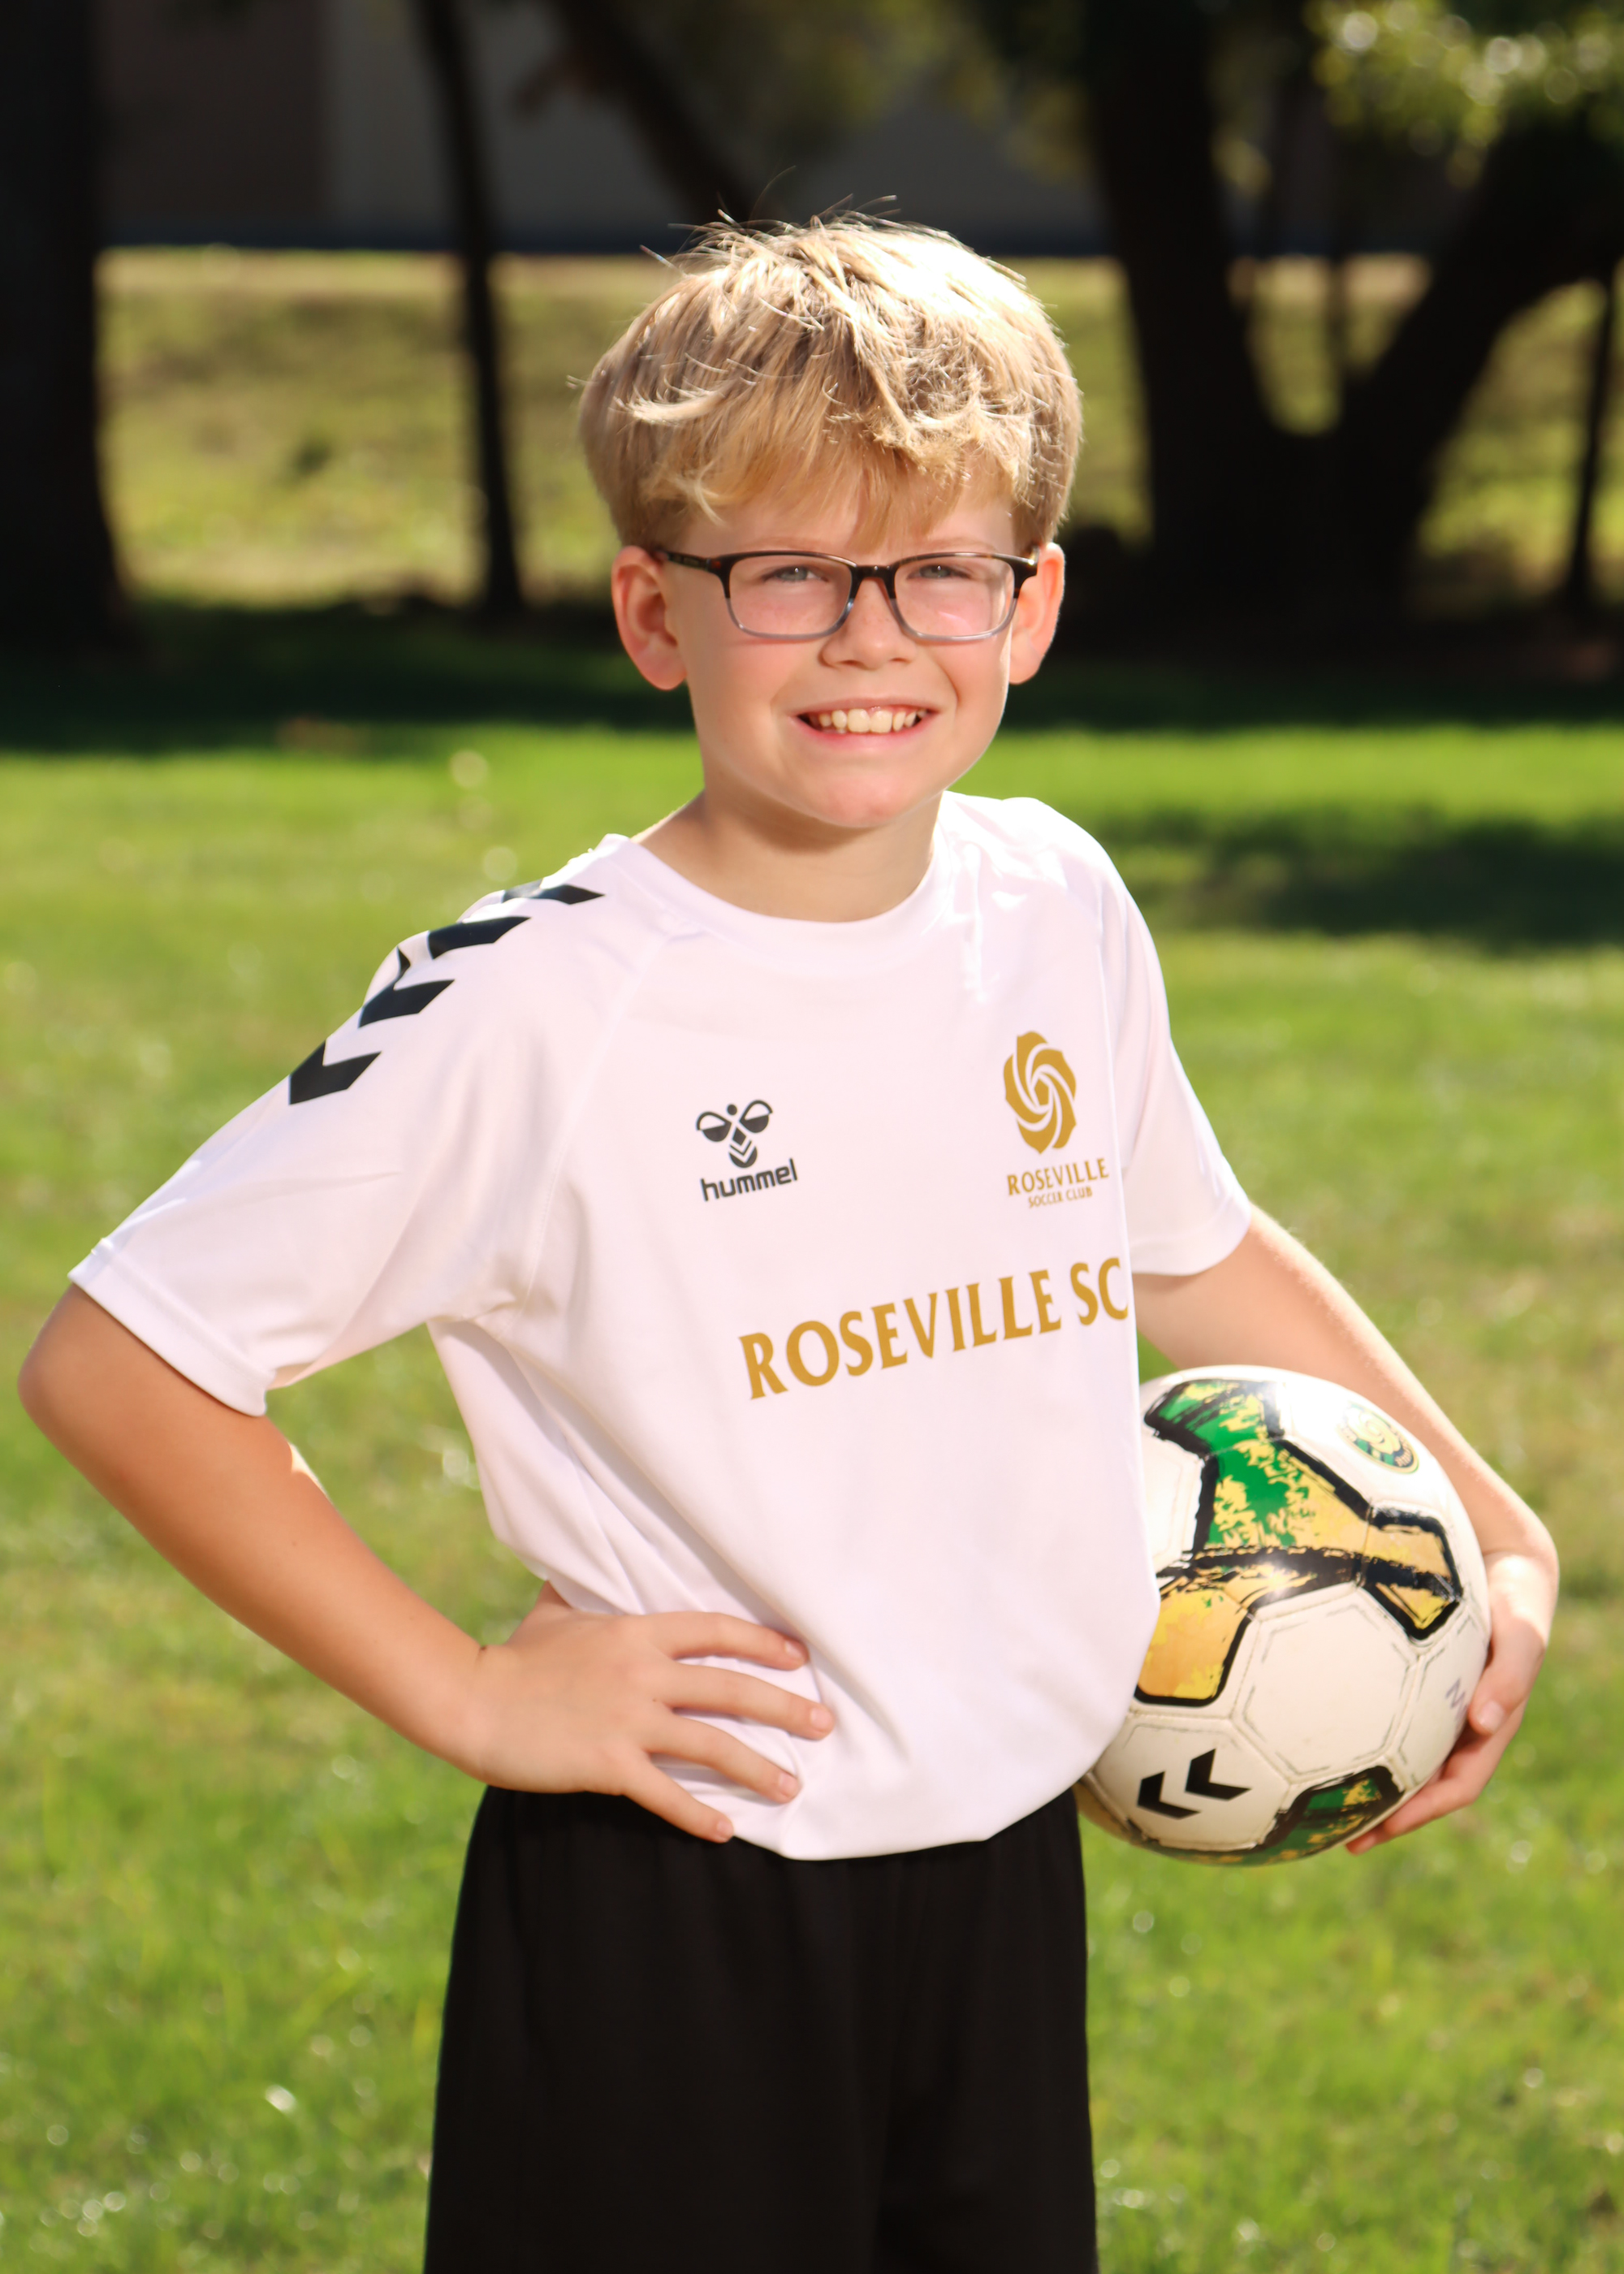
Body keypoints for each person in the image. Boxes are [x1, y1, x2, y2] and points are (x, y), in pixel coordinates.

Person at [19, 220, 1557, 2274]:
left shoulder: (1051, 905)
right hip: (679, 1887)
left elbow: (1188, 1251)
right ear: (654, 611)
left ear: (1031, 608)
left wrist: (1491, 1529)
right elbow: (123, 1358)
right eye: (788, 576)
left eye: (938, 571)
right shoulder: (535, 1004)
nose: (867, 637)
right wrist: (471, 1691)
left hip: (1003, 1863)